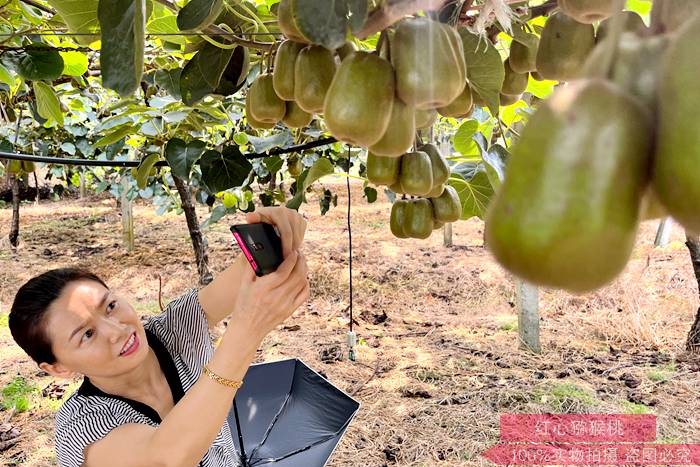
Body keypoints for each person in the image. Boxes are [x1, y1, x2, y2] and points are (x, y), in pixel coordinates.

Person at [8, 206, 310, 467]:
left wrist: (279, 234)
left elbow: (246, 270)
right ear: (58, 367)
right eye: (87, 334)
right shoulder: (82, 426)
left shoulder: (173, 330)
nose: (117, 331)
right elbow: (166, 457)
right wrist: (246, 331)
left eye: (110, 306)